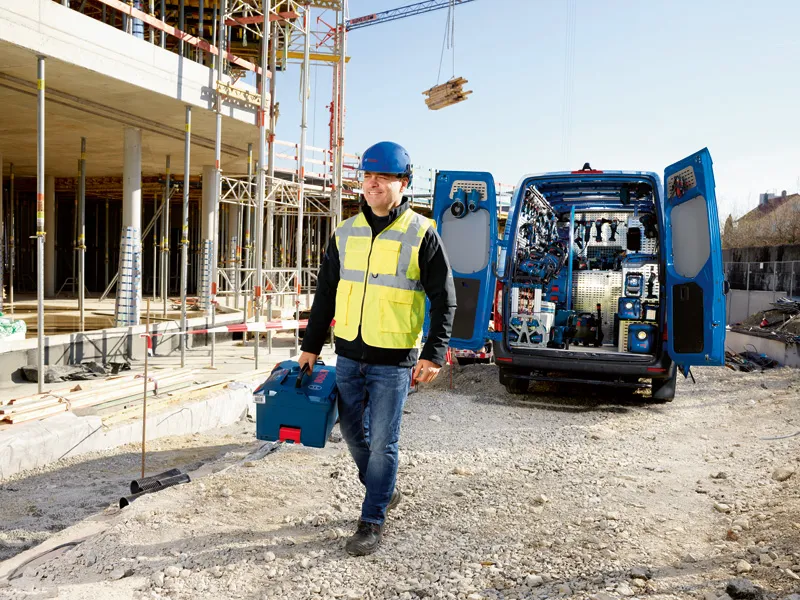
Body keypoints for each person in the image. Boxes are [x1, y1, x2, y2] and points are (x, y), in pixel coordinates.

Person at [298, 141, 456, 556]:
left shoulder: (422, 233)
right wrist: (311, 346)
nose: (373, 184)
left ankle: (371, 520)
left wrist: (433, 353)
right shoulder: (345, 232)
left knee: (384, 441)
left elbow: (445, 299)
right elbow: (326, 293)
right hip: (349, 354)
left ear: (403, 183)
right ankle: (384, 489)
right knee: (352, 434)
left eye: (383, 177)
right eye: (368, 176)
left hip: (394, 359)